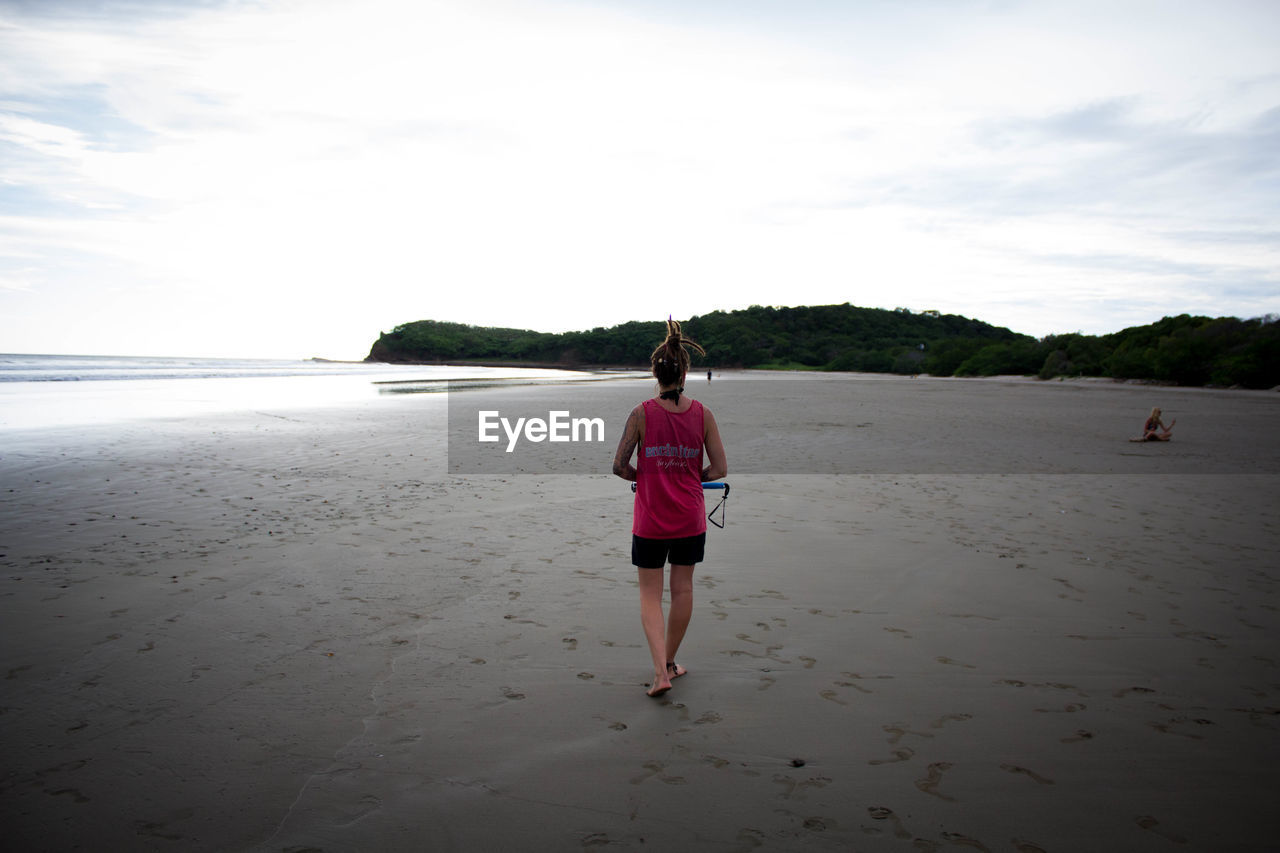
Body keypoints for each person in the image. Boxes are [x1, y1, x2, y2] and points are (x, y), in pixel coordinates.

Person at [613, 319, 727, 698]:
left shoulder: (642, 413)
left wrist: (642, 476)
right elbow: (720, 469)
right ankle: (668, 664)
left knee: (650, 595)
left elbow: (618, 465)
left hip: (650, 519)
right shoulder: (703, 415)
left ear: (655, 373)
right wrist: (693, 476)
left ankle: (660, 673)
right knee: (682, 591)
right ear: (685, 371)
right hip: (689, 519)